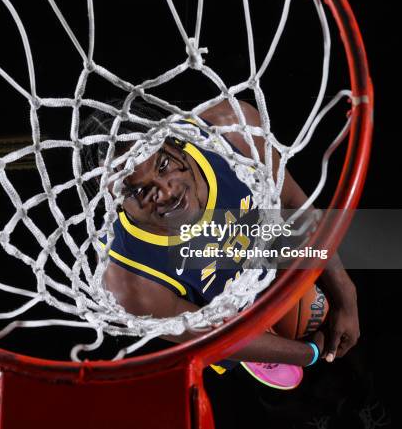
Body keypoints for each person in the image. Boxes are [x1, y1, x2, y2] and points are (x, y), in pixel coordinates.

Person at [80, 98, 360, 385]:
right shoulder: (126, 279)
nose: (164, 192)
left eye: (163, 165)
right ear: (114, 202)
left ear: (176, 142)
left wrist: (345, 295)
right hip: (224, 319)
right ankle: (258, 349)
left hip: (269, 255)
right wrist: (311, 353)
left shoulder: (230, 130)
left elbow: (292, 204)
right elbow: (215, 335)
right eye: (137, 191)